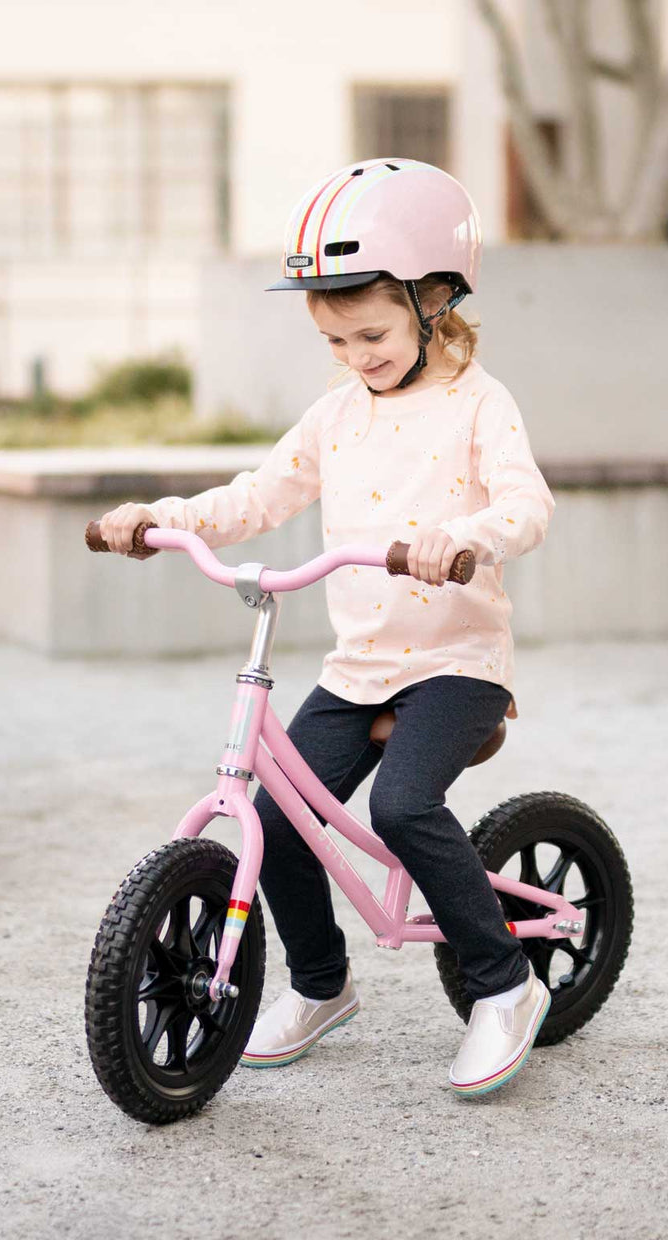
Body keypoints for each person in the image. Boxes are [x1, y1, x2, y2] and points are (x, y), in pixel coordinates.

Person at [98, 157, 556, 1096]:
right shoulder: (336, 415)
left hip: (456, 662)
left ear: (435, 298)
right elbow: (257, 497)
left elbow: (527, 505)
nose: (356, 355)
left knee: (403, 807)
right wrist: (160, 519)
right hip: (360, 667)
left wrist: (463, 537)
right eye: (336, 340)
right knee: (276, 819)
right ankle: (320, 984)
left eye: (372, 334)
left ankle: (505, 986)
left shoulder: (480, 404)